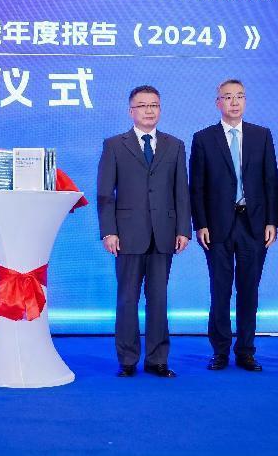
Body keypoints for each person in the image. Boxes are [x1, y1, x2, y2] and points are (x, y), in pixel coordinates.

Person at [97, 85, 191, 378]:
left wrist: (183, 229)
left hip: (164, 233)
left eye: (154, 105)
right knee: (127, 299)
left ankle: (157, 359)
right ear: (131, 111)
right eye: (143, 105)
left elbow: (181, 191)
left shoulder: (175, 145)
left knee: (159, 299)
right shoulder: (115, 145)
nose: (149, 110)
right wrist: (109, 231)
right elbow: (105, 194)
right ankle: (127, 359)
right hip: (127, 235)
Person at [189, 79, 278, 372]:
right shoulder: (203, 138)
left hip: (254, 223)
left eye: (239, 96)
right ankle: (220, 351)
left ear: (245, 101)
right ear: (218, 103)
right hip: (217, 226)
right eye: (227, 97)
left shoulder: (261, 135)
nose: (234, 102)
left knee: (249, 289)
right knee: (220, 289)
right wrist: (200, 223)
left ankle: (246, 351)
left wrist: (272, 221)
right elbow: (197, 186)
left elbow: (271, 180)